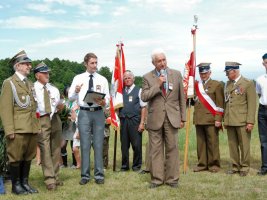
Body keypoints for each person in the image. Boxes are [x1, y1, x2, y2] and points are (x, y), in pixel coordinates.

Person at [141, 49, 186, 188]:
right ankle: (157, 180)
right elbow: (144, 97)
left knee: (172, 148)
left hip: (172, 117)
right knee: (155, 150)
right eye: (159, 61)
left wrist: (183, 117)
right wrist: (157, 84)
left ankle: (172, 179)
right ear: (153, 62)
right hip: (155, 118)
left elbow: (182, 98)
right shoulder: (147, 77)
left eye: (164, 60)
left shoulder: (177, 74)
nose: (162, 63)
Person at [0, 50, 39, 195]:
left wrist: (37, 126)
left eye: (29, 63)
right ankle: (16, 185)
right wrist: (9, 130)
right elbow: (5, 108)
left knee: (28, 156)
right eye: (26, 64)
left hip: (31, 127)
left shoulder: (29, 83)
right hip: (17, 128)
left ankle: (25, 183)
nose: (29, 66)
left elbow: (33, 106)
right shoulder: (9, 83)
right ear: (17, 66)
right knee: (15, 157)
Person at [68, 52, 110, 185]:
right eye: (92, 63)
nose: (95, 65)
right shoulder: (78, 78)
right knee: (85, 144)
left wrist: (104, 102)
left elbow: (108, 98)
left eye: (96, 62)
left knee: (98, 144)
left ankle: (99, 175)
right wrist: (75, 90)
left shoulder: (102, 79)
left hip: (98, 113)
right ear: (85, 64)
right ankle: (85, 175)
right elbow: (70, 97)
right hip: (84, 113)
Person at [33, 61, 64, 190]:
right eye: (44, 73)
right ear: (37, 75)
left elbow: (60, 103)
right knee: (45, 149)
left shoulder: (53, 88)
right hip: (41, 119)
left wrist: (61, 106)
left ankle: (55, 177)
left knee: (56, 149)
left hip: (55, 118)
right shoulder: (32, 89)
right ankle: (49, 180)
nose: (47, 75)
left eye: (48, 72)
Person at [224, 61, 256, 177]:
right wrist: (225, 120)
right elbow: (227, 103)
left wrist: (250, 121)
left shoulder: (247, 83)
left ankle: (245, 167)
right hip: (230, 120)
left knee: (244, 145)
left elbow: (252, 104)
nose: (226, 75)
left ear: (235, 71)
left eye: (228, 72)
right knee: (232, 145)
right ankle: (234, 166)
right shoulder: (228, 84)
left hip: (242, 121)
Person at [193, 63, 224, 173]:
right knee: (200, 144)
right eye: (201, 73)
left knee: (212, 143)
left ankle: (214, 165)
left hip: (211, 119)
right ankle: (202, 164)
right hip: (199, 118)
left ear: (210, 72)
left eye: (205, 73)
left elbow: (220, 104)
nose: (203, 75)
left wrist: (218, 119)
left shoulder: (217, 85)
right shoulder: (196, 85)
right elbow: (193, 101)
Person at [119, 70, 147, 172]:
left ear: (133, 78)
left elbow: (144, 107)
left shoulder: (139, 90)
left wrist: (142, 123)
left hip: (135, 121)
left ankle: (136, 166)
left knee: (136, 145)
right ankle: (124, 166)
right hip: (123, 121)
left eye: (129, 77)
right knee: (124, 145)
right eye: (125, 78)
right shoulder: (120, 91)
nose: (127, 80)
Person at [60, 86, 77, 168]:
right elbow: (62, 115)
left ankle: (75, 163)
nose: (69, 95)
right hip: (66, 127)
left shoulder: (78, 103)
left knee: (73, 146)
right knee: (62, 146)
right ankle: (64, 163)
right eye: (67, 93)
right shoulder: (65, 103)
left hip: (74, 127)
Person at [256, 53, 267, 176]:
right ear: (263, 64)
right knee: (264, 140)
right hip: (263, 111)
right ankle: (265, 167)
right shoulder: (260, 79)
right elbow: (259, 95)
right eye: (266, 62)